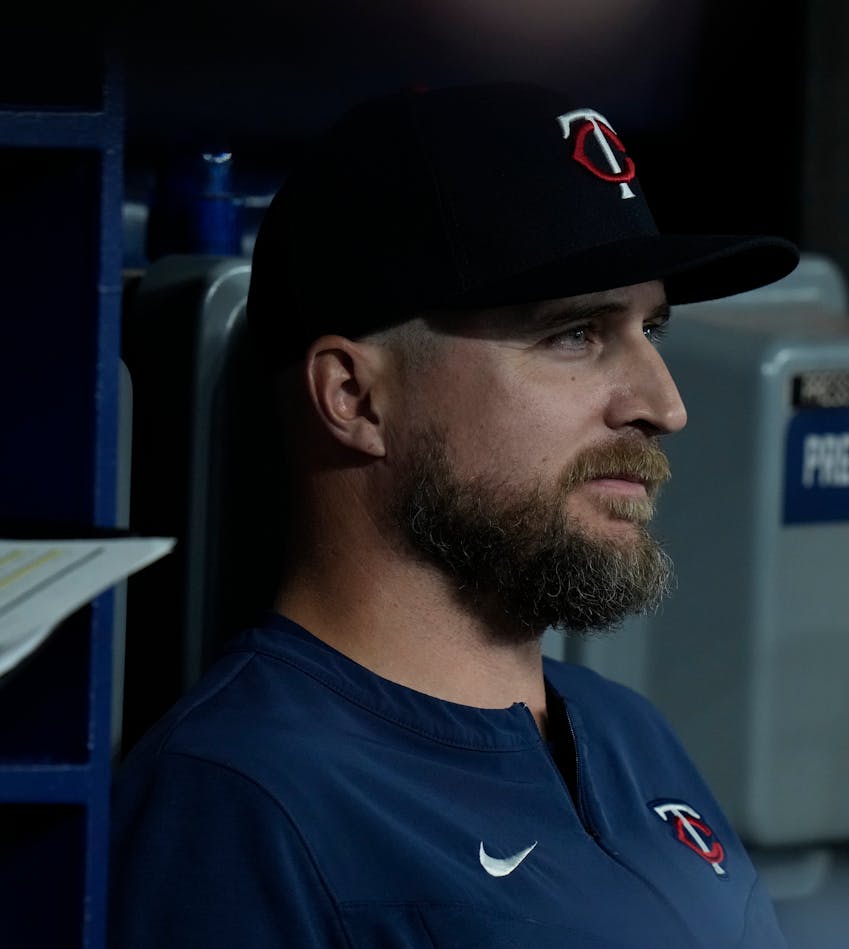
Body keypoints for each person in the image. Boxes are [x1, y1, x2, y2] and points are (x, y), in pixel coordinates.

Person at [110, 83, 798, 948]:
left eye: (650, 332)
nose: (663, 404)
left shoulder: (631, 734)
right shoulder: (240, 804)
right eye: (575, 334)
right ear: (356, 396)